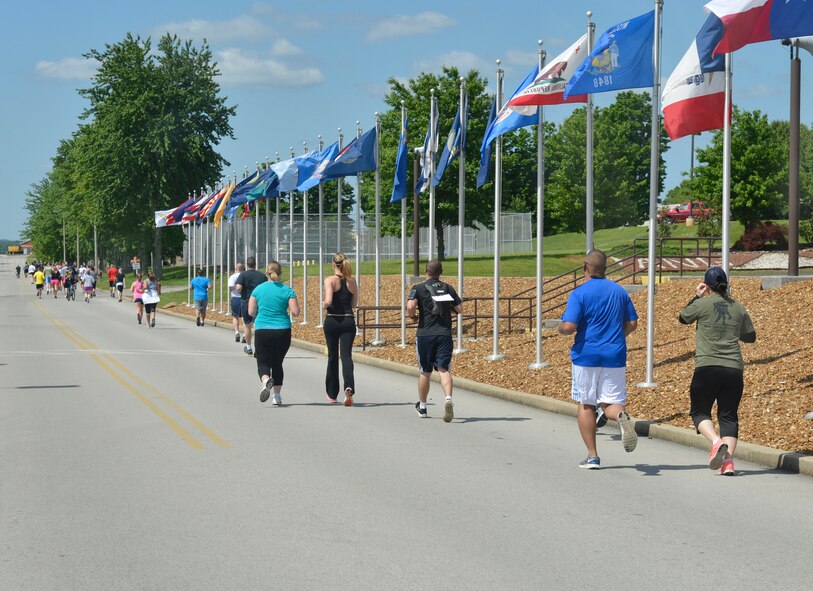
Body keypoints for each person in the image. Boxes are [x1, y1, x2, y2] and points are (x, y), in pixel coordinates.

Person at [558, 249, 639, 469]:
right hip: (615, 354)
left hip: (586, 355)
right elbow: (632, 323)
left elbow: (570, 326)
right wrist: (617, 337)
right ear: (605, 268)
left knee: (586, 404)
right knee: (610, 403)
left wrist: (561, 328)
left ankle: (592, 456)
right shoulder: (620, 292)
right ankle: (621, 415)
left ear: (585, 267)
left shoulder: (579, 293)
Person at [679, 267, 756, 476]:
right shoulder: (738, 308)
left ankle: (715, 442)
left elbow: (683, 318)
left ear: (707, 285)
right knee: (729, 416)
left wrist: (697, 295)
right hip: (733, 369)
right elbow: (750, 337)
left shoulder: (702, 304)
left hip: (707, 367)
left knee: (699, 411)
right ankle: (728, 463)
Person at [406, 259, 463, 422]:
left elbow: (410, 306)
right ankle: (448, 399)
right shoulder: (448, 288)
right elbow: (459, 309)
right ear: (441, 272)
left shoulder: (418, 288)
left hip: (425, 334)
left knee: (425, 371)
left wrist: (413, 316)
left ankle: (423, 406)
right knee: (444, 369)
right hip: (444, 334)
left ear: (425, 270)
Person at [249, 261, 299, 406]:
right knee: (277, 363)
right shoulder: (288, 290)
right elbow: (295, 312)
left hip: (263, 329)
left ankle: (265, 380)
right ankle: (276, 396)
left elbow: (251, 312)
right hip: (282, 330)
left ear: (267, 273)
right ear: (280, 272)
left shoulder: (258, 289)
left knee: (263, 361)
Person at [322, 252, 358, 405]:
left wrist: (323, 305)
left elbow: (329, 301)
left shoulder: (329, 280)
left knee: (332, 356)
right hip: (348, 321)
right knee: (346, 356)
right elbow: (354, 305)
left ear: (333, 264)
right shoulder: (352, 282)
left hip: (332, 320)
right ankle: (348, 386)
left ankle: (332, 394)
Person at [235, 256, 268, 355]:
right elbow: (266, 287)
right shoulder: (262, 276)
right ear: (255, 264)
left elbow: (238, 288)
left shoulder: (243, 275)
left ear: (247, 265)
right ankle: (258, 348)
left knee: (247, 325)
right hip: (259, 302)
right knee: (258, 325)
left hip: (246, 301)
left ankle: (249, 347)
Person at [228, 263, 245, 342]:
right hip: (245, 298)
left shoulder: (232, 277)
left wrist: (232, 290)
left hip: (235, 298)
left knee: (235, 316)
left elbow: (231, 287)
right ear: (243, 268)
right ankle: (245, 333)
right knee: (245, 317)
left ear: (236, 268)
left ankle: (237, 332)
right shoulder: (245, 276)